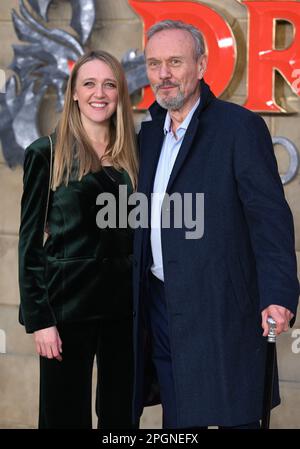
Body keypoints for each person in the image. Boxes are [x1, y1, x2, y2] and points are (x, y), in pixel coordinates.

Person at [132, 20, 299, 429]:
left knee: (234, 414)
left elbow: (270, 220)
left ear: (202, 65)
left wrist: (278, 294)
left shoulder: (238, 127)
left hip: (223, 307)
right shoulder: (148, 135)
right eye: (155, 64)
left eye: (175, 61)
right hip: (161, 306)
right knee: (178, 418)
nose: (164, 74)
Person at [18, 50, 138, 429]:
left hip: (124, 313)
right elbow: (30, 244)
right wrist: (40, 320)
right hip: (66, 312)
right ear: (73, 92)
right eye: (89, 83)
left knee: (121, 419)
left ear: (120, 93)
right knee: (64, 418)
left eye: (109, 84)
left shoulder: (134, 155)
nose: (99, 93)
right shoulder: (46, 152)